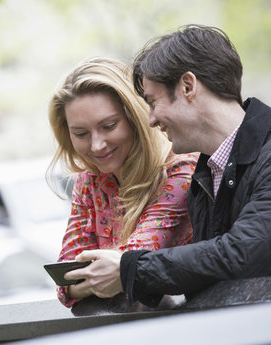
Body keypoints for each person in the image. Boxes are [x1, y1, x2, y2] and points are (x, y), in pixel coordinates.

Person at [65, 24, 271, 307]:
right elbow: (208, 273)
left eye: (153, 102)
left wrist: (129, 269)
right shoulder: (207, 172)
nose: (151, 120)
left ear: (187, 86)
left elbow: (241, 254)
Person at [47, 57, 198, 307]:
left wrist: (111, 274)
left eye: (109, 126)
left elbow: (126, 268)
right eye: (80, 134)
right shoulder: (89, 180)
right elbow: (66, 281)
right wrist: (100, 277)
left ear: (135, 118)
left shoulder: (180, 171)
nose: (96, 145)